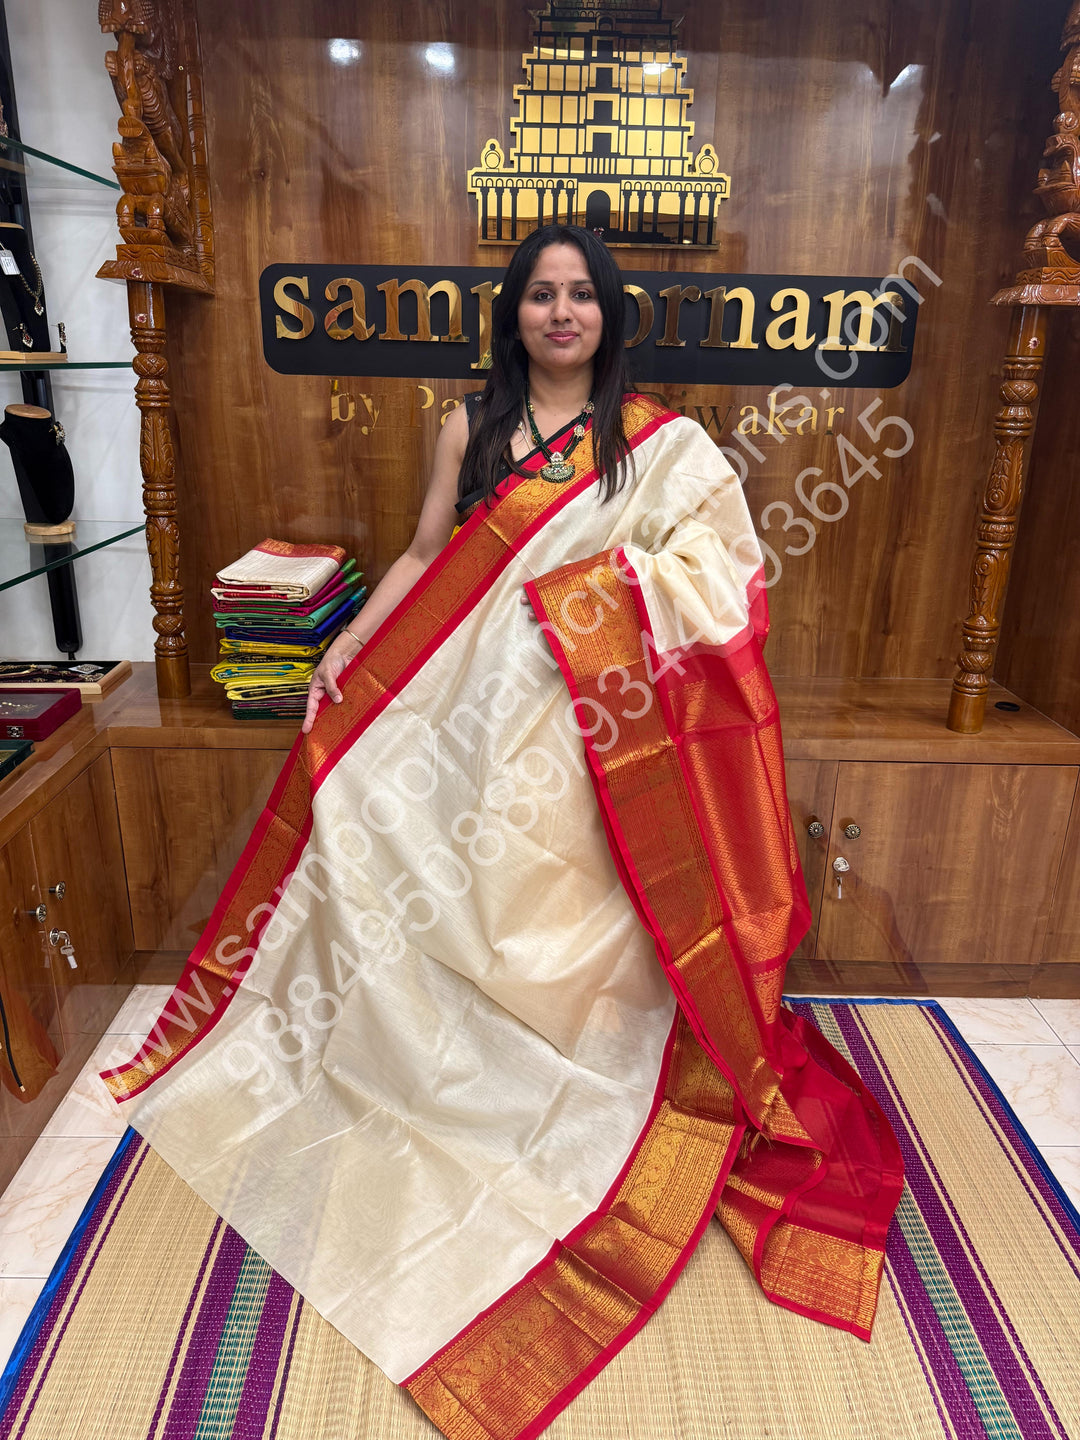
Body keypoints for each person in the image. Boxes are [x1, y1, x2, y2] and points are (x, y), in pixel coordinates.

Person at [106, 226, 903, 1440]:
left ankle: (558, 1067)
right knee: (367, 820)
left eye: (582, 294)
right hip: (463, 715)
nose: (563, 312)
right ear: (516, 312)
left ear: (608, 311)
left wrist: (602, 596)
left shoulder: (660, 443)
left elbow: (726, 572)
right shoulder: (467, 424)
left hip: (592, 737)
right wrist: (344, 651)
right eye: (543, 294)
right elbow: (430, 553)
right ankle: (408, 1055)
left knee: (551, 916)